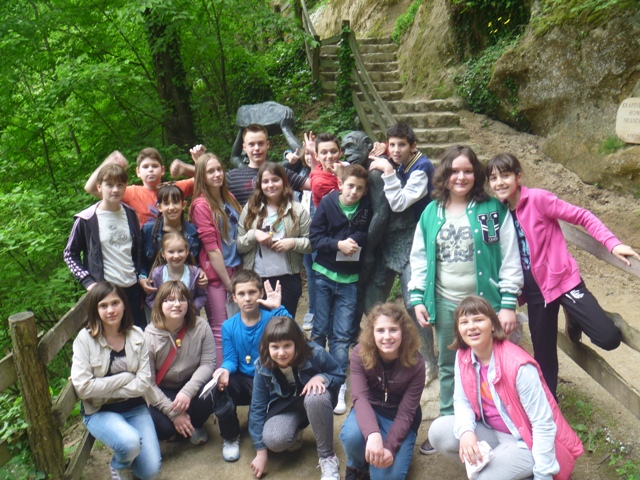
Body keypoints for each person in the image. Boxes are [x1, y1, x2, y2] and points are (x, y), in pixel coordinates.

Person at [486, 153, 640, 397]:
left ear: (518, 177)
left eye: (505, 176)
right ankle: (550, 409)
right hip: (535, 294)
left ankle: (574, 315)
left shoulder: (538, 199)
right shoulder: (499, 212)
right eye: (493, 178)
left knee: (608, 338)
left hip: (562, 282)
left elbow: (582, 216)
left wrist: (613, 244)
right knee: (544, 358)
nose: (499, 182)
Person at [408, 145, 523, 454]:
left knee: (495, 363)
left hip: (486, 304)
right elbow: (419, 257)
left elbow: (510, 255)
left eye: (468, 171)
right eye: (454, 171)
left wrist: (508, 303)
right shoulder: (431, 212)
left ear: (477, 174)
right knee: (449, 364)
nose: (461, 177)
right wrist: (418, 297)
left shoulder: (492, 210)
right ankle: (451, 424)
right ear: (444, 174)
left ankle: (502, 426)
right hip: (447, 302)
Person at [428, 295, 584, 480]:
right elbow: (462, 400)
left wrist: (543, 475)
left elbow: (542, 424)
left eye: (478, 320)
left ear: (493, 325)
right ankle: (506, 469)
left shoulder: (518, 365)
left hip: (525, 441)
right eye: (464, 322)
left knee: (483, 479)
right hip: (492, 431)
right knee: (438, 432)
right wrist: (466, 432)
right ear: (458, 329)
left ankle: (525, 471)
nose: (471, 327)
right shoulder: (463, 355)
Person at [71, 282, 161, 480]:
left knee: (151, 471)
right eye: (103, 306)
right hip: (100, 411)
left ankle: (129, 454)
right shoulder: (85, 339)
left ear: (123, 305)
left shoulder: (137, 335)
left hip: (135, 407)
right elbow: (83, 388)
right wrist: (125, 378)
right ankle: (119, 465)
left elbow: (143, 383)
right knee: (129, 442)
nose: (110, 310)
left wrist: (104, 388)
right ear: (95, 310)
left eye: (115, 303)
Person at [309, 163, 372, 415]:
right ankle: (313, 376)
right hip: (323, 275)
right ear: (340, 185)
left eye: (359, 188)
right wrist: (338, 244)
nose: (354, 192)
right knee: (319, 330)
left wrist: (355, 240)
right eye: (350, 186)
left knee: (342, 335)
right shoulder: (327, 204)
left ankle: (337, 384)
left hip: (349, 279)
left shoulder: (366, 207)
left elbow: (366, 232)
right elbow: (315, 238)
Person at [249, 316, 345, 480]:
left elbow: (339, 375)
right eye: (275, 347)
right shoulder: (262, 365)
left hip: (317, 400)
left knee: (316, 397)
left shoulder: (315, 353)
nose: (281, 352)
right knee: (274, 440)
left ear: (296, 343)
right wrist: (260, 452)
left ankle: (327, 457)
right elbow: (257, 406)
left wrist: (321, 377)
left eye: (287, 345)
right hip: (286, 406)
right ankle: (296, 429)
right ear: (267, 346)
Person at [210, 269, 290, 462]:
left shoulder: (271, 319)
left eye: (252, 292)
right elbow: (230, 359)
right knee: (220, 387)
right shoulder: (229, 326)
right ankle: (230, 436)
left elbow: (293, 334)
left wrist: (278, 308)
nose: (247, 298)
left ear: (261, 293)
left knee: (270, 423)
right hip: (243, 379)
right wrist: (224, 369)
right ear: (234, 298)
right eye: (241, 294)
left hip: (268, 378)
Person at [339, 303, 425, 480]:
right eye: (380, 330)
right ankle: (357, 467)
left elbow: (407, 413)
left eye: (393, 330)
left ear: (404, 332)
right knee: (352, 436)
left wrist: (389, 447)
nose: (387, 337)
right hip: (370, 407)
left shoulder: (416, 363)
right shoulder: (360, 354)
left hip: (398, 416)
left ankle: (385, 457)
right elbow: (360, 397)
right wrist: (372, 433)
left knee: (388, 476)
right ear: (372, 333)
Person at [64, 163, 146, 329]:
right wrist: (88, 282)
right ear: (99, 186)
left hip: (133, 290)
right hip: (106, 295)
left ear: (125, 186)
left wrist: (141, 276)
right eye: (109, 185)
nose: (115, 190)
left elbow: (138, 251)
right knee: (110, 341)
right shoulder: (87, 219)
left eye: (120, 185)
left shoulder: (130, 214)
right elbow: (69, 254)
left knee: (138, 338)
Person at [144, 281, 215, 445]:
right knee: (163, 428)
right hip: (164, 389)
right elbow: (148, 384)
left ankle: (194, 424)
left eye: (182, 299)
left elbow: (208, 363)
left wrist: (188, 391)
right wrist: (174, 414)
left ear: (188, 303)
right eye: (169, 300)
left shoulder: (201, 326)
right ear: (159, 304)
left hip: (192, 383)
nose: (177, 304)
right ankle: (177, 426)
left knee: (214, 391)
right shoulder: (148, 338)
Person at [237, 162, 313, 317]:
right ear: (260, 185)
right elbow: (239, 246)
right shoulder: (250, 209)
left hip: (288, 278)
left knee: (284, 323)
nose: (270, 185)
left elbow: (312, 242)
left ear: (283, 182)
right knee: (260, 324)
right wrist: (253, 234)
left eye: (275, 180)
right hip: (257, 279)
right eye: (265, 181)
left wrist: (293, 243)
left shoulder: (297, 209)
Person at [169, 125, 310, 206]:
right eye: (251, 144)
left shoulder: (280, 172)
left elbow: (313, 184)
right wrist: (190, 167)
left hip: (280, 238)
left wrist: (314, 160)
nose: (256, 148)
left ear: (267, 145)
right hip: (246, 240)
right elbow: (210, 179)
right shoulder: (233, 177)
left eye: (260, 143)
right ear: (244, 147)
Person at [190, 152, 243, 365]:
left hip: (237, 269)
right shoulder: (201, 205)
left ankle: (240, 373)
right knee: (221, 330)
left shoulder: (228, 197)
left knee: (239, 326)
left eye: (219, 169)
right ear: (201, 176)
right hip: (217, 276)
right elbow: (211, 248)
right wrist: (227, 282)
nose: (217, 174)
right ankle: (222, 378)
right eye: (210, 171)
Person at [85, 148, 194, 226]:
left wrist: (185, 168)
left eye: (154, 166)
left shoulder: (173, 189)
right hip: (144, 247)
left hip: (174, 246)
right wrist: (108, 162)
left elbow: (203, 179)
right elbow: (91, 188)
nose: (150, 170)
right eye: (145, 167)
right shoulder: (130, 193)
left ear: (162, 170)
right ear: (138, 172)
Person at [283, 132, 318, 331]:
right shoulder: (301, 174)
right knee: (310, 273)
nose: (310, 157)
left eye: (314, 154)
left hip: (319, 232)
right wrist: (288, 157)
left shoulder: (324, 173)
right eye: (308, 154)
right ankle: (313, 310)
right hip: (303, 232)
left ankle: (318, 312)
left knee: (319, 274)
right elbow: (280, 171)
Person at [139, 184, 201, 295]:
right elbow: (140, 259)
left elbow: (197, 261)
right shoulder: (148, 230)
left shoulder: (193, 232)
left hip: (185, 292)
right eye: (166, 203)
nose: (171, 207)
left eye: (175, 202)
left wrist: (200, 271)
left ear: (183, 205)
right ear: (159, 207)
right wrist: (142, 277)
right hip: (154, 290)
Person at [368, 121, 434, 221]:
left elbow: (399, 204)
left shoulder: (421, 169)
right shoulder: (405, 162)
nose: (396, 150)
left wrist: (388, 170)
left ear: (413, 146)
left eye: (402, 145)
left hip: (428, 223)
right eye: (392, 145)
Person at [145, 232, 207, 312]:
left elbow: (202, 295)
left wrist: (191, 309)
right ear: (163, 254)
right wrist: (162, 311)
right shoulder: (157, 274)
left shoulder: (194, 273)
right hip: (165, 318)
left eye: (180, 251)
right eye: (171, 252)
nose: (176, 256)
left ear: (187, 251)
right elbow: (150, 299)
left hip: (190, 317)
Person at [308, 132, 348, 207]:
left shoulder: (346, 166)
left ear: (340, 153)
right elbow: (345, 202)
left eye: (333, 151)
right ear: (316, 156)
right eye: (324, 153)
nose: (329, 156)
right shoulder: (319, 183)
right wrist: (340, 176)